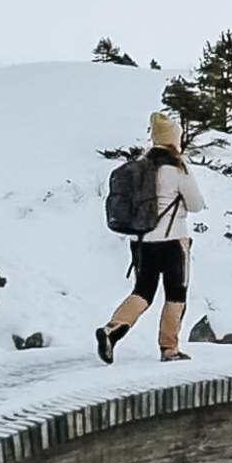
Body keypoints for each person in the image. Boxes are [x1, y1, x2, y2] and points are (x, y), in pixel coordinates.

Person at [96, 112, 206, 363]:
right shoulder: (177, 169)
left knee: (143, 292)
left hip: (142, 242)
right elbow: (196, 204)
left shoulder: (141, 168)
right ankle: (169, 348)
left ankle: (112, 329)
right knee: (176, 294)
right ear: (173, 141)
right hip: (173, 241)